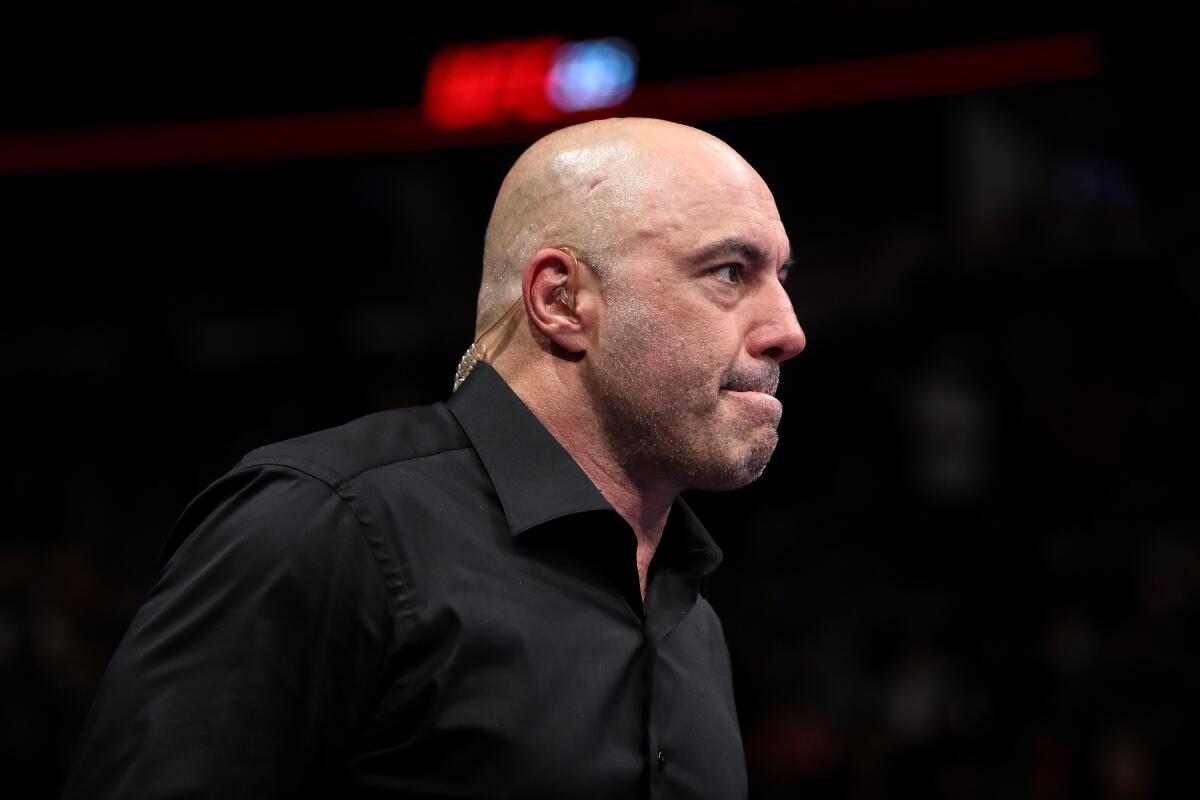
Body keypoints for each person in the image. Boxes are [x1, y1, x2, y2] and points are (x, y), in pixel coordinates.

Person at [63, 117, 806, 799]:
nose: (788, 329)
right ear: (562, 300)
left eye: (781, 277)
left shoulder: (690, 618)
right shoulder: (325, 529)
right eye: (729, 272)